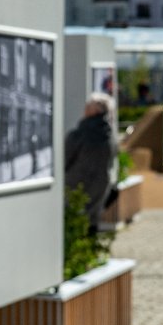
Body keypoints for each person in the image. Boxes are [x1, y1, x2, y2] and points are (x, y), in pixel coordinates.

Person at [64, 91, 119, 230]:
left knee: (73, 226)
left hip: (75, 187)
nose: (84, 110)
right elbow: (112, 160)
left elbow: (65, 161)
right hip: (99, 187)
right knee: (91, 226)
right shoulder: (110, 137)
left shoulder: (78, 135)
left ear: (93, 111)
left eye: (87, 107)